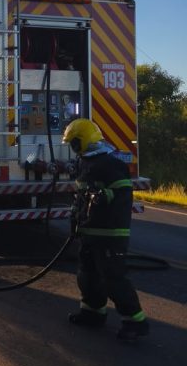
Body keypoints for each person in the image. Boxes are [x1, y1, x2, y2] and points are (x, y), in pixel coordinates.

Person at [62, 118, 149, 342]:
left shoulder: (111, 164)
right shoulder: (85, 163)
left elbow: (122, 193)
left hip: (110, 232)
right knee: (87, 275)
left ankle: (136, 322)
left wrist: (103, 197)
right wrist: (76, 215)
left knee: (113, 279)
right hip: (89, 231)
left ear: (83, 141)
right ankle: (92, 313)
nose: (73, 148)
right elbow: (81, 197)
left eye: (74, 143)